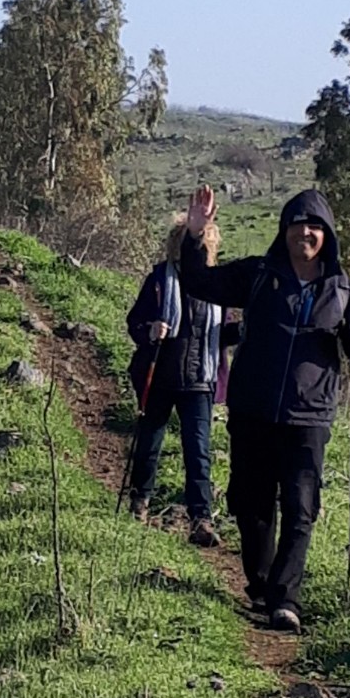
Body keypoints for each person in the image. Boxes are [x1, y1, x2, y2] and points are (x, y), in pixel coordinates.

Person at [181, 185, 350, 633]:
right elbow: (199, 282)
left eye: (315, 226)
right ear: (285, 230)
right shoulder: (259, 274)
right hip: (253, 408)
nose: (306, 233)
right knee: (250, 501)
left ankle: (286, 599)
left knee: (301, 507)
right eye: (299, 224)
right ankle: (261, 584)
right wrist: (195, 236)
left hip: (309, 417)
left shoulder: (341, 289)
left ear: (327, 235)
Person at [126, 216, 223, 548]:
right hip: (160, 376)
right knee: (149, 443)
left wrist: (248, 333)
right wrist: (150, 329)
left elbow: (218, 333)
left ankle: (202, 519)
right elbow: (134, 322)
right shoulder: (158, 279)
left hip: (199, 379)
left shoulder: (216, 284)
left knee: (198, 451)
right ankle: (139, 503)